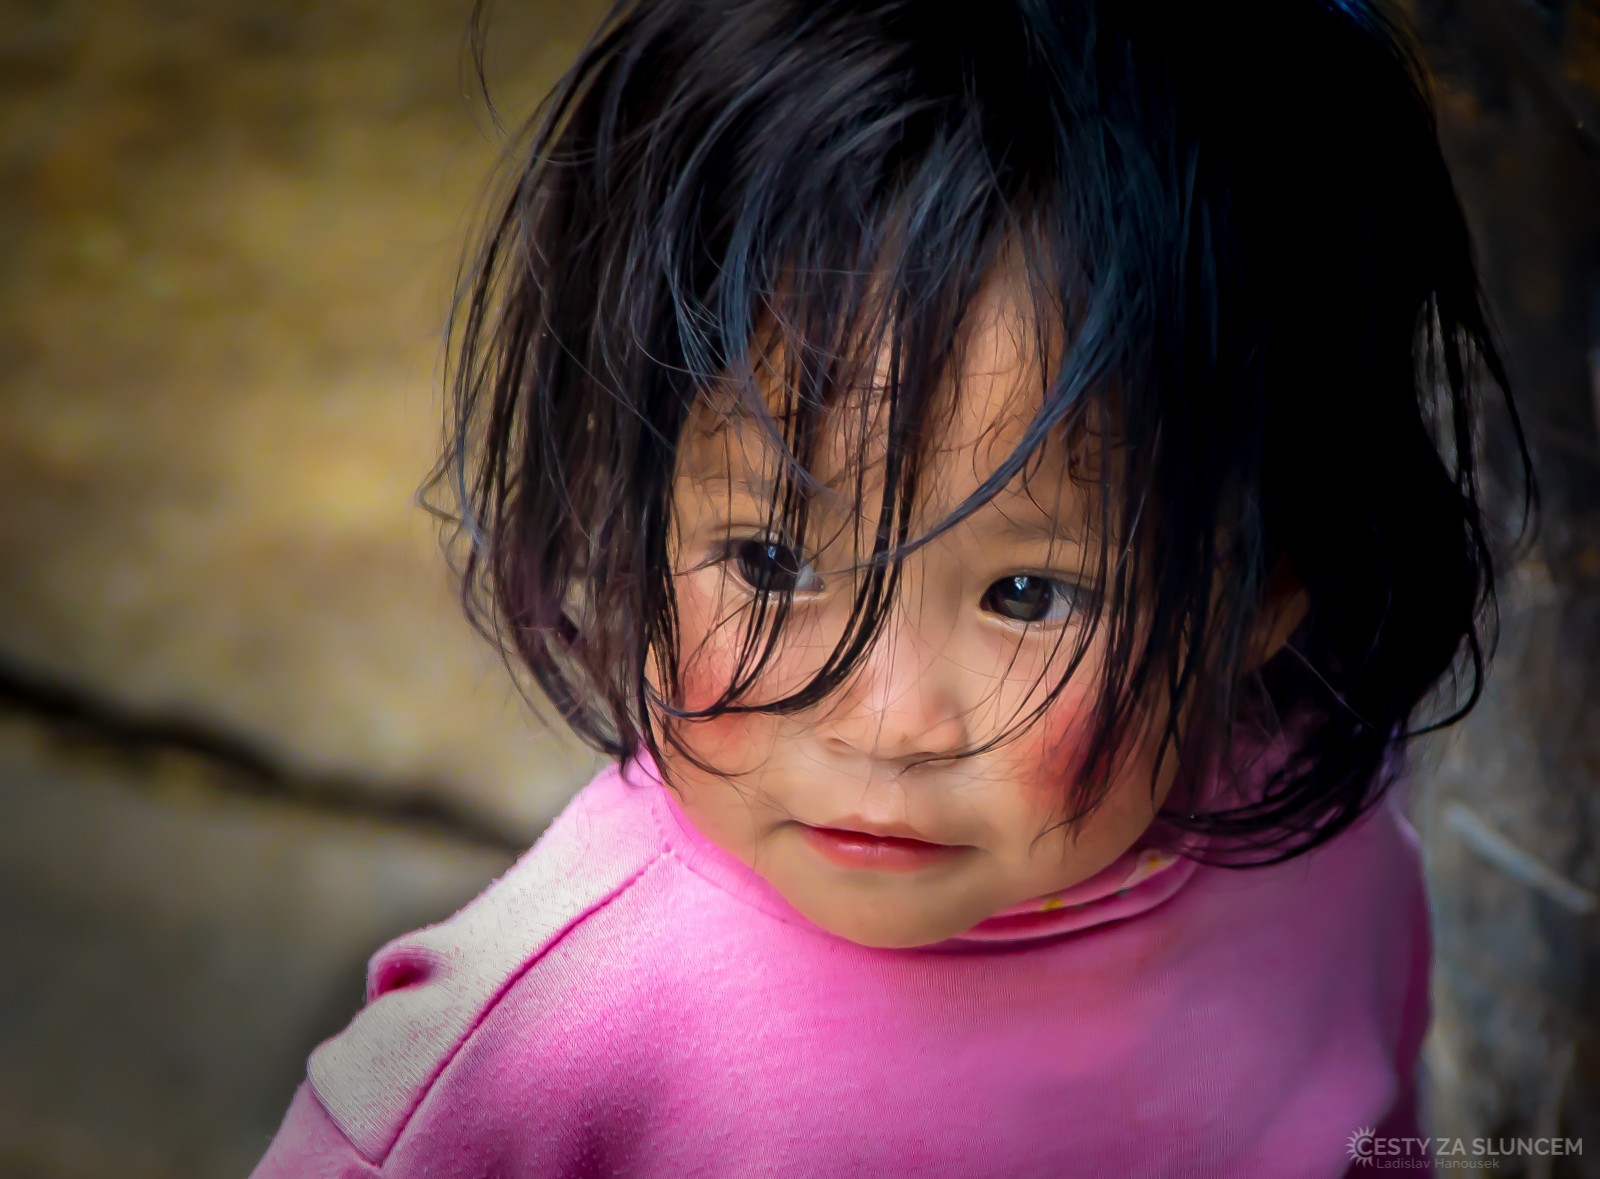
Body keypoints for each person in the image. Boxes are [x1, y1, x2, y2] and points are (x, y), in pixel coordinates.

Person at [251, 0, 1538, 1174]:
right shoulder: (544, 1047)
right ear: (629, 512)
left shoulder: (1339, 846)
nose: (882, 722)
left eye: (1028, 592)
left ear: (1267, 590)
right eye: (769, 561)